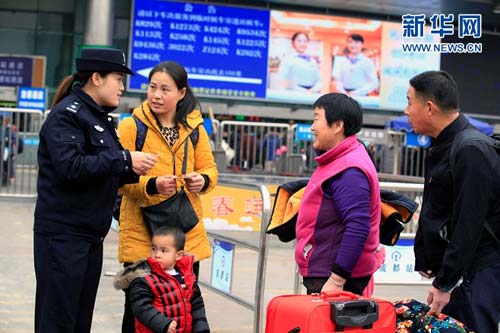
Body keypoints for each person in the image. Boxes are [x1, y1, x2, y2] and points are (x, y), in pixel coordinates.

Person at [33, 48, 158, 333]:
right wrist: (125, 158)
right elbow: (71, 167)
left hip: (89, 236)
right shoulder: (67, 116)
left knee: (79, 321)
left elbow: (105, 172)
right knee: (57, 321)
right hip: (63, 237)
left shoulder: (101, 118)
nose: (122, 87)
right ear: (97, 78)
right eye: (118, 79)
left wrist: (140, 172)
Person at [117, 60, 218, 332]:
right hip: (142, 236)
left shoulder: (195, 129)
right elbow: (118, 177)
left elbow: (209, 168)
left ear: (181, 93)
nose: (157, 95)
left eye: (165, 89)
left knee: (183, 307)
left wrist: (203, 180)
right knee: (138, 311)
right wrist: (152, 185)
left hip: (184, 235)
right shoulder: (132, 127)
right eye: (152, 87)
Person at [405, 70, 500, 332]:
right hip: (461, 273)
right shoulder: (444, 145)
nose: (406, 111)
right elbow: (440, 208)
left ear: (429, 107)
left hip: (477, 271)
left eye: (409, 102)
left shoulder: (470, 150)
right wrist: (428, 258)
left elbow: (469, 223)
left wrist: (446, 281)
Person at [295, 93, 381, 295]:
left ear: (337, 126)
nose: (312, 127)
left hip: (334, 276)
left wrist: (337, 279)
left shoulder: (349, 169)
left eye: (316, 119)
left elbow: (358, 226)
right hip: (327, 268)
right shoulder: (341, 159)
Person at [114, 226, 210, 333]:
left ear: (178, 255)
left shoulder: (187, 277)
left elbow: (197, 306)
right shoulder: (144, 279)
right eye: (154, 249)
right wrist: (163, 324)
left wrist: (201, 328)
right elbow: (141, 307)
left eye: (164, 251)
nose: (157, 255)